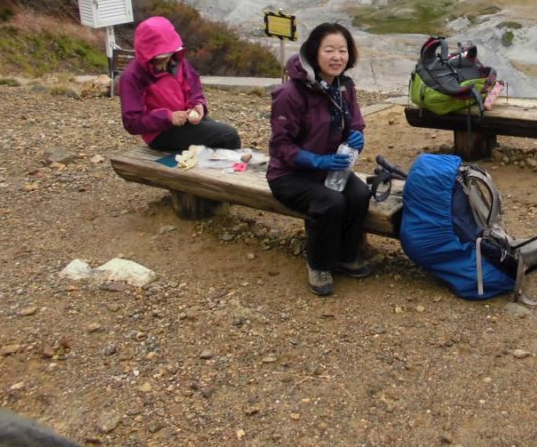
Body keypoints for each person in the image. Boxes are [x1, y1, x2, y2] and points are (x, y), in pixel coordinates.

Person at [266, 22, 371, 296]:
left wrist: (356, 137)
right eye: (329, 50)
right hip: (289, 175)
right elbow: (280, 147)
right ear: (314, 52)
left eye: (343, 50)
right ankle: (319, 264)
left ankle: (345, 256)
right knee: (330, 201)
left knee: (360, 194)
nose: (337, 57)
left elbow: (355, 125)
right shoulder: (291, 94)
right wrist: (318, 161)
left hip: (329, 171)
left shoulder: (344, 88)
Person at [119, 16, 241, 152]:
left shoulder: (176, 60)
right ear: (147, 54)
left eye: (168, 55)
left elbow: (194, 86)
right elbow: (132, 123)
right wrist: (168, 117)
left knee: (225, 135)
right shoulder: (132, 76)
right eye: (160, 58)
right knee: (228, 136)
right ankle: (222, 172)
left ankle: (214, 170)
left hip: (185, 118)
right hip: (160, 133)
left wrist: (197, 104)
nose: (166, 61)